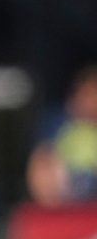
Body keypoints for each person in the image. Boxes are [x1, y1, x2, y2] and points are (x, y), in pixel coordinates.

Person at [26, 66, 97, 207]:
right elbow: (40, 169)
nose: (93, 103)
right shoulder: (55, 123)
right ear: (77, 95)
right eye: (90, 95)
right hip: (64, 208)